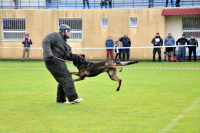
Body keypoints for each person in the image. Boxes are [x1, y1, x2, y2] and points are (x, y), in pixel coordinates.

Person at [42, 24, 83, 104]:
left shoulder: (65, 44)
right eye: (68, 32)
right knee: (67, 77)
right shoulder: (54, 35)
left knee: (63, 79)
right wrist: (49, 54)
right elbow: (45, 41)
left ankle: (61, 99)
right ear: (64, 31)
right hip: (53, 61)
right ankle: (73, 98)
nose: (69, 33)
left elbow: (68, 55)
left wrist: (78, 57)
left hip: (59, 62)